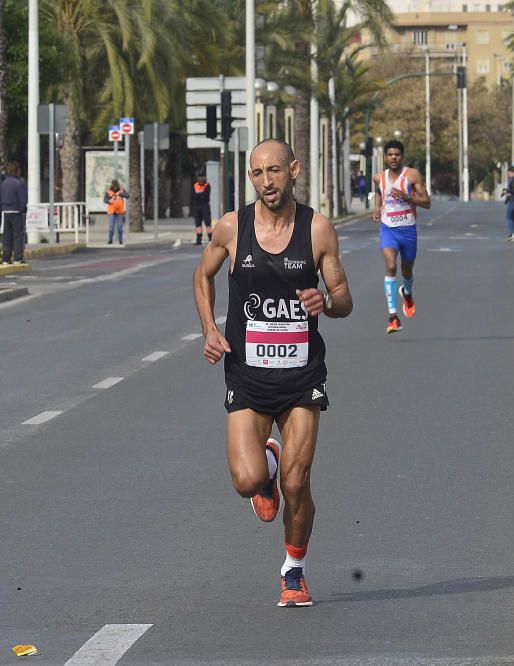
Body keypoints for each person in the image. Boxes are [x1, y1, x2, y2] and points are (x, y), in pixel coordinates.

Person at [192, 138, 353, 607]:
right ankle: (265, 466)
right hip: (247, 377)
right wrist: (209, 328)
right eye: (258, 173)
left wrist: (328, 301)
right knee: (246, 482)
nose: (267, 181)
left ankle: (294, 572)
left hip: (302, 378)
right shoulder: (231, 228)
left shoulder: (318, 230)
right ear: (250, 178)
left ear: (294, 170)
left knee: (297, 483)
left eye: (275, 171)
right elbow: (202, 276)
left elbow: (344, 296)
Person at [371, 139, 431, 334]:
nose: (393, 158)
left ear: (402, 157)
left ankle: (407, 292)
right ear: (386, 157)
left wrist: (408, 197)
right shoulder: (379, 177)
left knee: (407, 271)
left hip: (408, 229)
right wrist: (377, 210)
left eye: (397, 154)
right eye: (390, 155)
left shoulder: (412, 176)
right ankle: (393, 317)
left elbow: (427, 202)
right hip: (388, 228)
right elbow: (379, 193)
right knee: (390, 266)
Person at [0, 162, 27, 265]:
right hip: (16, 211)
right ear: (17, 171)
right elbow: (22, 199)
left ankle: (5, 258)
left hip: (6, 212)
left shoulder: (4, 183)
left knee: (7, 236)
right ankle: (17, 258)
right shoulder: (18, 183)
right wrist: (23, 210)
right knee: (17, 236)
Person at [104, 179, 129, 245]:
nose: (115, 186)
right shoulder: (109, 191)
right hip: (111, 211)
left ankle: (120, 240)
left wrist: (122, 194)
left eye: (116, 184)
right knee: (111, 227)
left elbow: (127, 196)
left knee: (120, 227)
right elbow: (105, 200)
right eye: (114, 184)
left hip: (120, 211)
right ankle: (110, 240)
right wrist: (109, 201)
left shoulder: (121, 190)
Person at [191, 170, 213, 245]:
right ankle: (198, 239)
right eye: (200, 177)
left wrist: (199, 195)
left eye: (202, 177)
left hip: (205, 206)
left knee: (207, 222)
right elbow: (193, 196)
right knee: (198, 223)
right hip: (197, 206)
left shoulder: (207, 185)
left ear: (205, 177)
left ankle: (210, 239)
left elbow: (206, 196)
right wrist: (200, 195)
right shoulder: (195, 185)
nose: (201, 179)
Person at [503, 165, 514, 241]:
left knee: (509, 217)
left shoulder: (513, 179)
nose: (509, 175)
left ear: (513, 172)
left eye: (509, 173)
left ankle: (513, 233)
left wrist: (507, 191)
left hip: (513, 200)